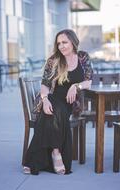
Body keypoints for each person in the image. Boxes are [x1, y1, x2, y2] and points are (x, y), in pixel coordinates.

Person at [23, 29, 93, 175]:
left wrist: (76, 86)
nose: (61, 46)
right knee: (53, 109)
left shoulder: (83, 57)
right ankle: (56, 152)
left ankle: (33, 161)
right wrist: (45, 99)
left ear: (73, 42)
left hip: (72, 103)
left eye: (64, 42)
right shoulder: (54, 60)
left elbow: (88, 82)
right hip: (52, 98)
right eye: (59, 43)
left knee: (54, 112)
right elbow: (45, 84)